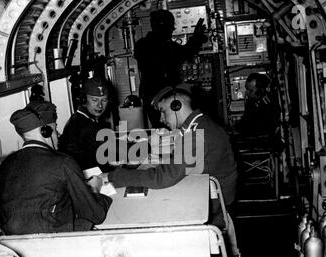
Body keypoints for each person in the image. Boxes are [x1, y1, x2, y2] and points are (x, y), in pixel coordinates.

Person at [102, 84, 238, 211]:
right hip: (205, 192)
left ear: (176, 106)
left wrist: (112, 177)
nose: (161, 119)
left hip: (214, 205)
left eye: (163, 111)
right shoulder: (200, 125)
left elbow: (164, 177)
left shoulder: (197, 134)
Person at [0, 101, 112, 235]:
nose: (58, 134)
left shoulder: (3, 167)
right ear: (46, 132)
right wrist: (95, 189)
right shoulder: (63, 162)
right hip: (54, 243)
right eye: (55, 129)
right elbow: (95, 215)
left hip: (15, 245)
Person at [135, 9, 207, 128]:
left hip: (150, 98)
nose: (173, 29)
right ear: (163, 26)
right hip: (167, 98)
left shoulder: (141, 45)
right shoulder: (167, 48)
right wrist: (197, 36)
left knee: (161, 131)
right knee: (173, 130)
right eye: (171, 26)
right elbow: (186, 52)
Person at [59, 77, 112, 172]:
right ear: (84, 100)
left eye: (104, 100)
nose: (100, 106)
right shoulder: (84, 125)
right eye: (94, 100)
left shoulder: (81, 117)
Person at [235, 73, 280, 138]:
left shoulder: (268, 104)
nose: (247, 93)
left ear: (260, 91)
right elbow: (245, 121)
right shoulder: (251, 103)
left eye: (250, 90)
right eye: (246, 89)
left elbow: (261, 127)